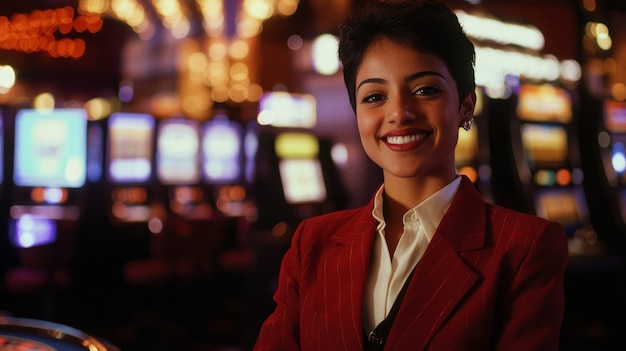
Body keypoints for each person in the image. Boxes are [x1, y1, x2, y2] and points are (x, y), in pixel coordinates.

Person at [253, 0, 568, 350]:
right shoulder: (311, 242)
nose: (399, 113)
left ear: (466, 104)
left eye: (425, 90)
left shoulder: (525, 247)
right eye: (374, 96)